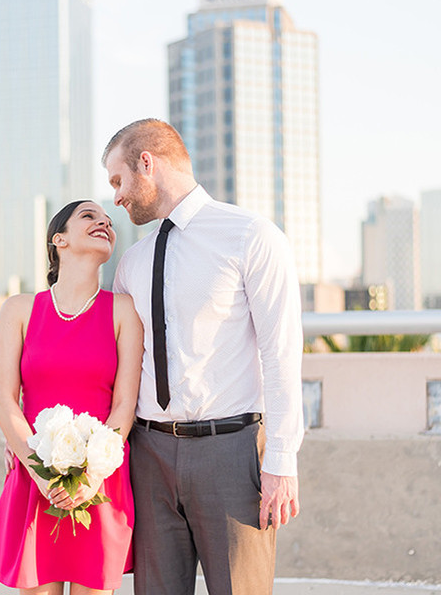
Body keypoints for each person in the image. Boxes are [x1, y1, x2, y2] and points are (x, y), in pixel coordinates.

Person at [104, 119, 304, 595]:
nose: (116, 197)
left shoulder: (251, 236)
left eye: (118, 180)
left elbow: (282, 354)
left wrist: (281, 459)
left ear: (146, 164)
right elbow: (112, 365)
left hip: (231, 453)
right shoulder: (132, 263)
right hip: (149, 458)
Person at [0, 200, 144, 595]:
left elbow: (125, 405)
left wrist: (90, 476)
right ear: (59, 240)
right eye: (89, 216)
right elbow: (5, 398)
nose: (104, 222)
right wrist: (39, 471)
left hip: (100, 481)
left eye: (108, 220)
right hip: (37, 476)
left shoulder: (124, 311)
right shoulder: (19, 309)